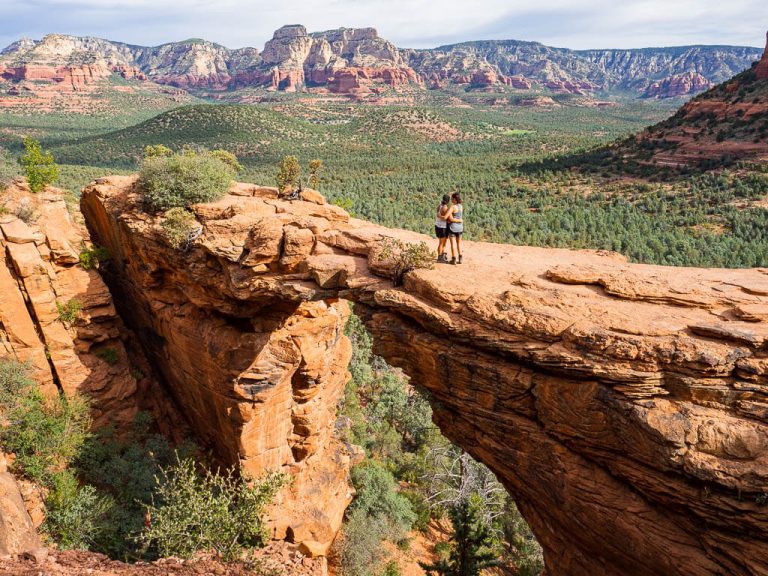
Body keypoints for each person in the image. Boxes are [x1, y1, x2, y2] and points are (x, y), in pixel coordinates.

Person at [446, 192, 464, 264]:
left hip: (453, 227)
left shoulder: (453, 207)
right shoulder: (461, 206)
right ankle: (460, 258)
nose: (451, 200)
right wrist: (460, 220)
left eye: (452, 199)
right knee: (459, 243)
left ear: (454, 199)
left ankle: (454, 259)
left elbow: (449, 218)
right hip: (460, 227)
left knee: (453, 244)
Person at [435, 194, 451, 263]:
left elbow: (437, 213)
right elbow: (447, 218)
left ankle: (441, 254)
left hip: (437, 226)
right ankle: (440, 257)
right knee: (442, 243)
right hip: (442, 227)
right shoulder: (445, 208)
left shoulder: (439, 205)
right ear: (448, 201)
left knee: (441, 242)